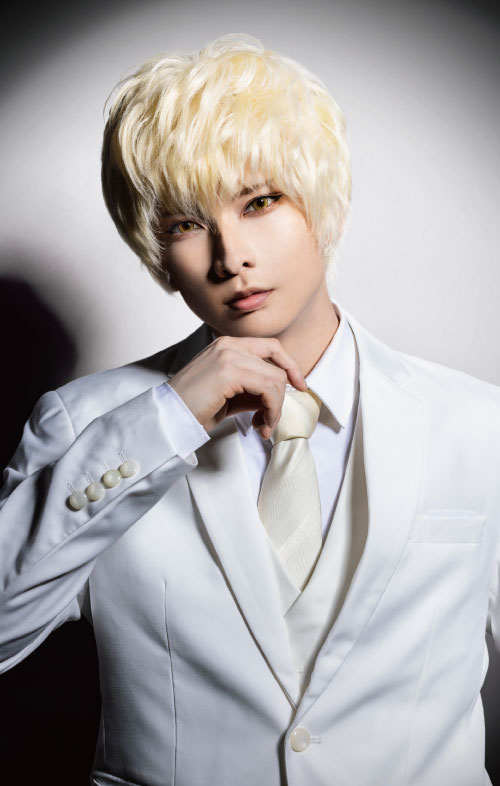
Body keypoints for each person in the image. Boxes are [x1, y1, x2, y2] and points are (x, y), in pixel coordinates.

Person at [1, 33, 499, 786]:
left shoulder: (478, 426)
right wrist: (165, 421)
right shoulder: (86, 426)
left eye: (260, 202)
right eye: (184, 223)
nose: (230, 256)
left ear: (322, 205)